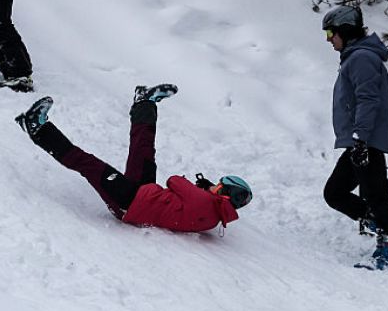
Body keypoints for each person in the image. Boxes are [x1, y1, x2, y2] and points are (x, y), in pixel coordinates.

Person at [15, 84, 252, 232]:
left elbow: (174, 181)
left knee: (88, 163)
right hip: (146, 194)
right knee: (144, 149)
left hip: (129, 202)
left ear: (224, 193)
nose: (215, 184)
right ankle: (144, 102)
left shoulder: (204, 202)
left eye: (220, 184)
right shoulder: (213, 220)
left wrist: (201, 189)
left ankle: (37, 128)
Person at [320, 4, 388, 276]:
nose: (329, 41)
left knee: (376, 193)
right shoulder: (356, 57)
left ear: (344, 31)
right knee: (335, 192)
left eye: (330, 34)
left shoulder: (361, 59)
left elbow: (369, 99)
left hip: (365, 139)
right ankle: (387, 227)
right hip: (360, 140)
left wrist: (360, 138)